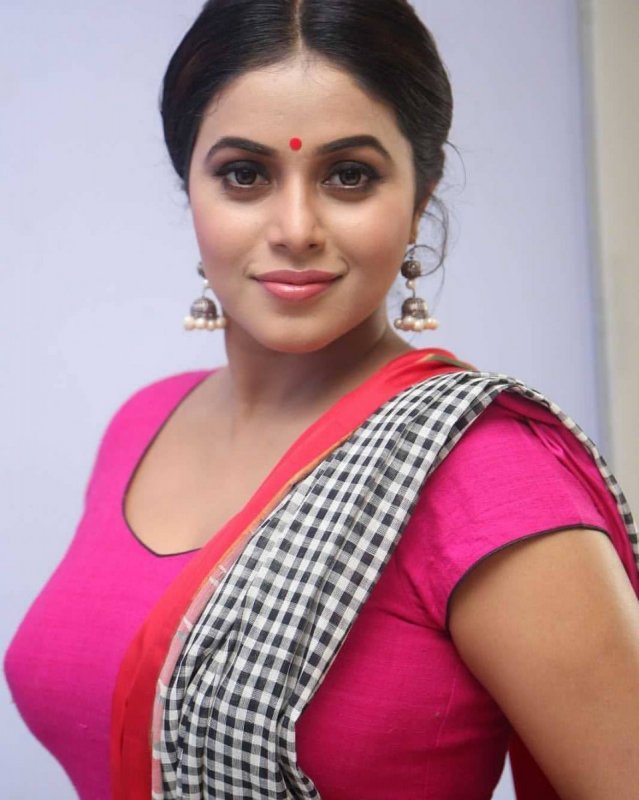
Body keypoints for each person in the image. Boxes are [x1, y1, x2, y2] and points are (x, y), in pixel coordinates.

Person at [5, 1, 639, 798]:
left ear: (419, 196)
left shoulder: (485, 475)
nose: (296, 228)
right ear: (189, 188)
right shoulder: (144, 424)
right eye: (245, 174)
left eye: (349, 175)